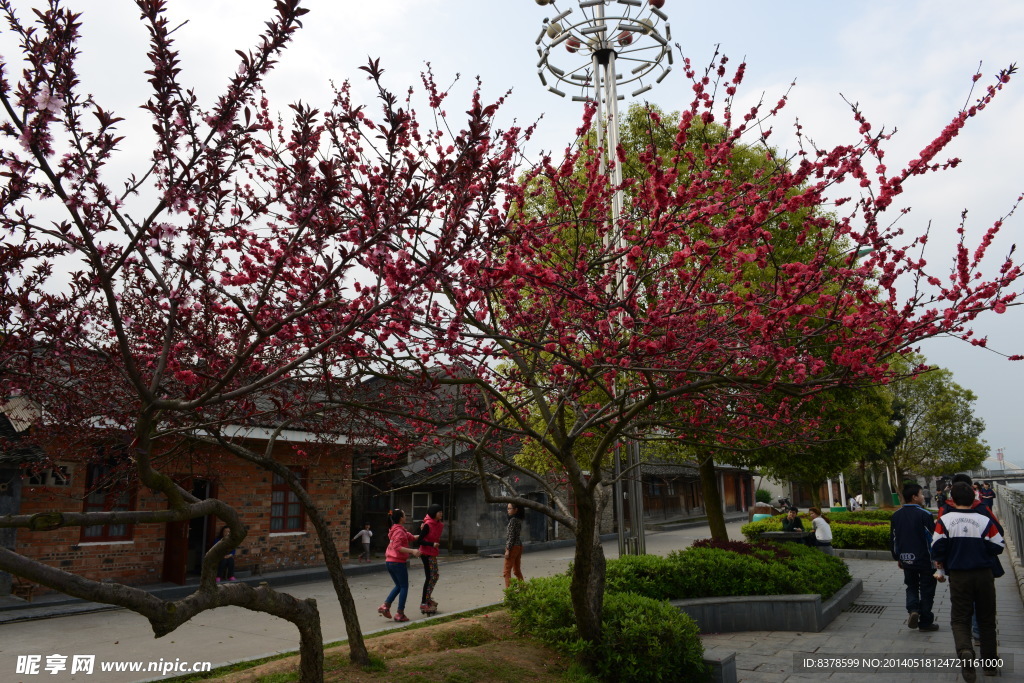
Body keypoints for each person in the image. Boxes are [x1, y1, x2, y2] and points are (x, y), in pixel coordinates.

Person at [931, 482, 1005, 680]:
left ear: (952, 500)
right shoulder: (983, 520)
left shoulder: (944, 520)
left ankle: (965, 651)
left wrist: (945, 562)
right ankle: (989, 665)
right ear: (974, 499)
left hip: (959, 576)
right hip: (984, 575)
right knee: (987, 619)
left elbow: (937, 547)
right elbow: (998, 545)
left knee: (960, 619)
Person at [890, 484, 939, 632]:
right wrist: (936, 558)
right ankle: (925, 622)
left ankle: (913, 610)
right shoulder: (925, 514)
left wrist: (898, 557)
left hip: (906, 559)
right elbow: (931, 538)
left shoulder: (896, 515)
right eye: (921, 494)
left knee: (911, 586)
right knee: (927, 590)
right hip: (925, 560)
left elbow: (894, 538)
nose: (923, 496)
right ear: (914, 497)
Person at [378, 508, 421, 622]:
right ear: (401, 518)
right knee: (404, 587)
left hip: (390, 562)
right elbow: (397, 547)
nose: (406, 516)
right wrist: (412, 551)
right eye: (404, 514)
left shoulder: (396, 529)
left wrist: (425, 533)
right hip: (397, 562)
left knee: (399, 586)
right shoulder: (399, 531)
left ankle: (385, 606)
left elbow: (411, 537)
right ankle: (400, 613)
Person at [416, 504, 444, 615]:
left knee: (435, 576)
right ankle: (424, 602)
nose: (441, 514)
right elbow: (419, 541)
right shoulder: (427, 525)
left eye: (441, 512)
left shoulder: (438, 524)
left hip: (432, 553)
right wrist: (432, 544)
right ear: (434, 513)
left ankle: (427, 598)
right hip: (426, 553)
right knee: (429, 577)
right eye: (439, 512)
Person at [503, 502, 525, 588]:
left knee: (506, 571)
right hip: (519, 546)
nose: (508, 510)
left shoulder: (513, 520)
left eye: (509, 508)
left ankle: (509, 593)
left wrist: (508, 549)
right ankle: (523, 588)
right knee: (516, 570)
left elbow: (511, 536)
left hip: (513, 547)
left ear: (516, 510)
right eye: (507, 508)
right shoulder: (518, 520)